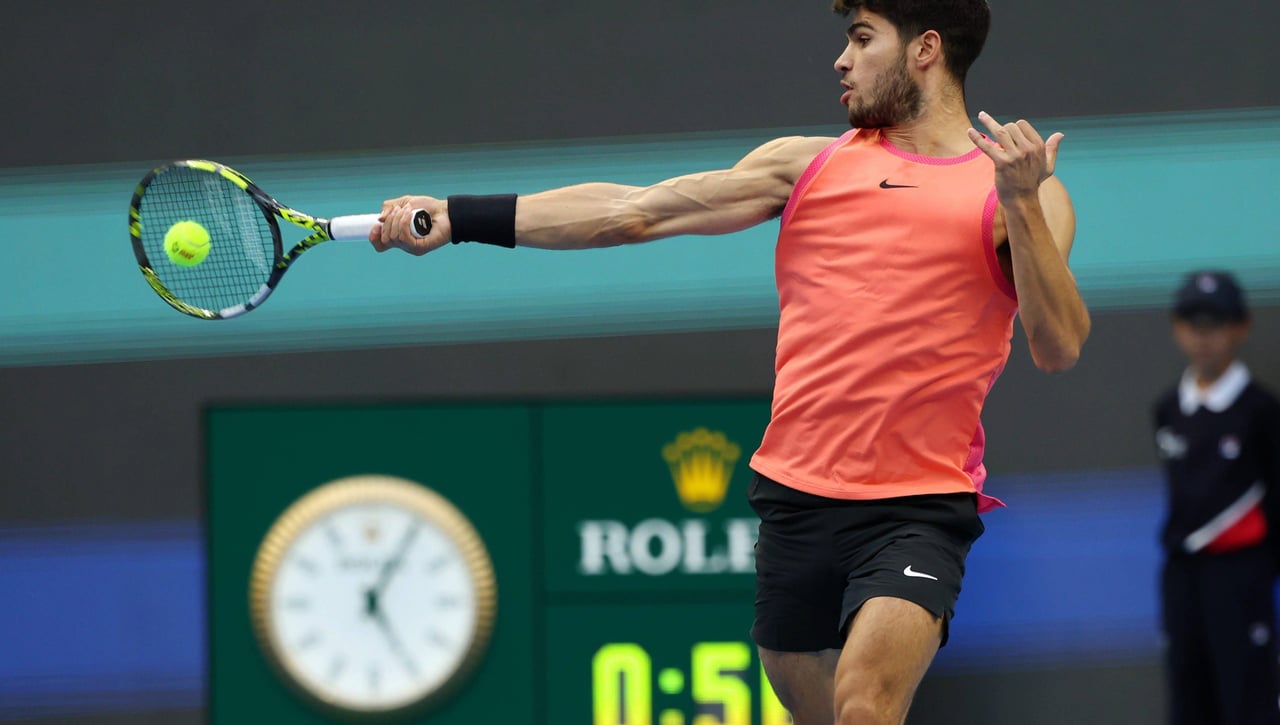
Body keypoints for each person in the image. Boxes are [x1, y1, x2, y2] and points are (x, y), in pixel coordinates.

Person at [372, 1, 1090, 722]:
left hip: (918, 505)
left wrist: (1022, 202)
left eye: (861, 38)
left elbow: (1057, 345)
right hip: (795, 499)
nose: (841, 61)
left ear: (925, 49)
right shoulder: (807, 165)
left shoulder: (1024, 194)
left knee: (865, 705)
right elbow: (633, 211)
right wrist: (459, 217)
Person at [1153, 270, 1280, 725]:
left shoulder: (1261, 411)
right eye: (1193, 321)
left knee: (1249, 697)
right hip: (1183, 576)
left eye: (1217, 322)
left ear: (1241, 326)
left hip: (1242, 575)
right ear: (1176, 326)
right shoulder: (1169, 410)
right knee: (1188, 696)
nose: (1205, 336)